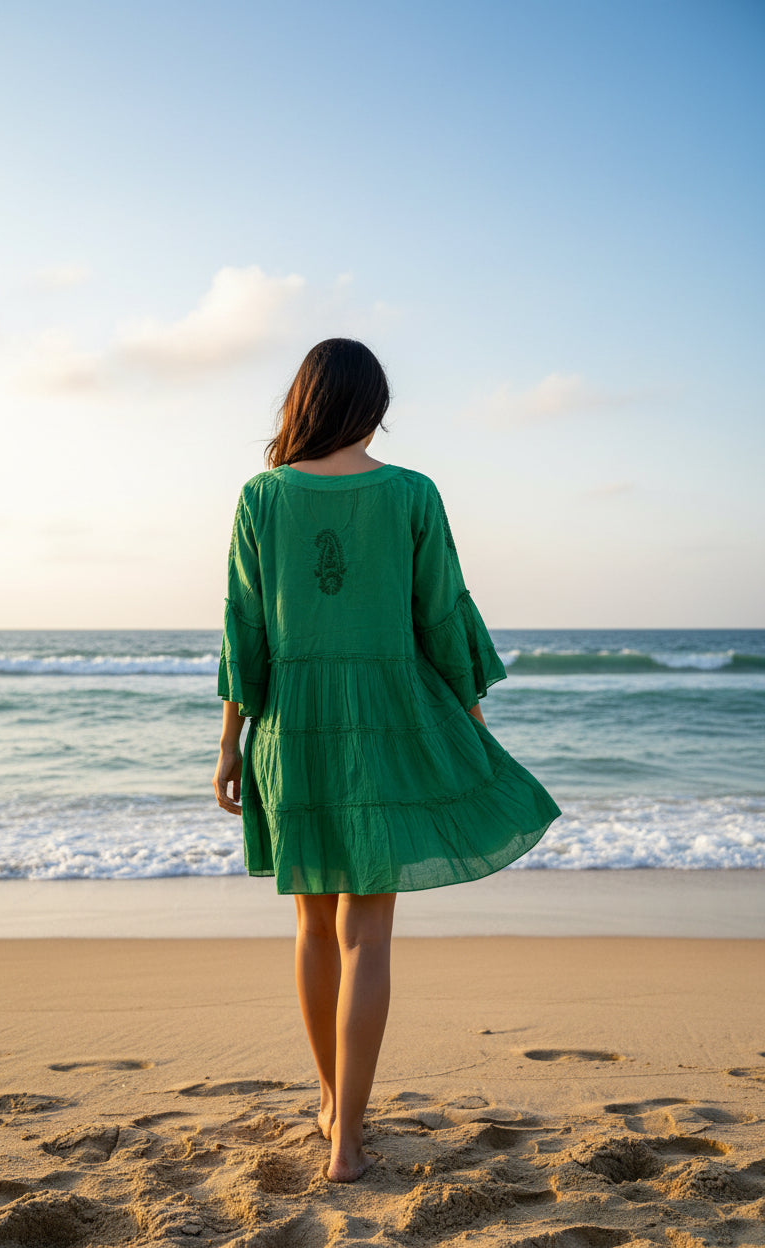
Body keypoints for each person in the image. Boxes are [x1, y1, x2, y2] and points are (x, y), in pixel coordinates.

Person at [213, 338, 561, 1183]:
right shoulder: (412, 492)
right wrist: (469, 722)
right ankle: (348, 1140)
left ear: (301, 402)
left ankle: (331, 1101)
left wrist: (229, 743)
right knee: (368, 932)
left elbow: (244, 629)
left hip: (293, 727)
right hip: (390, 722)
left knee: (311, 924)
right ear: (373, 406)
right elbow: (442, 613)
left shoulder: (261, 496)